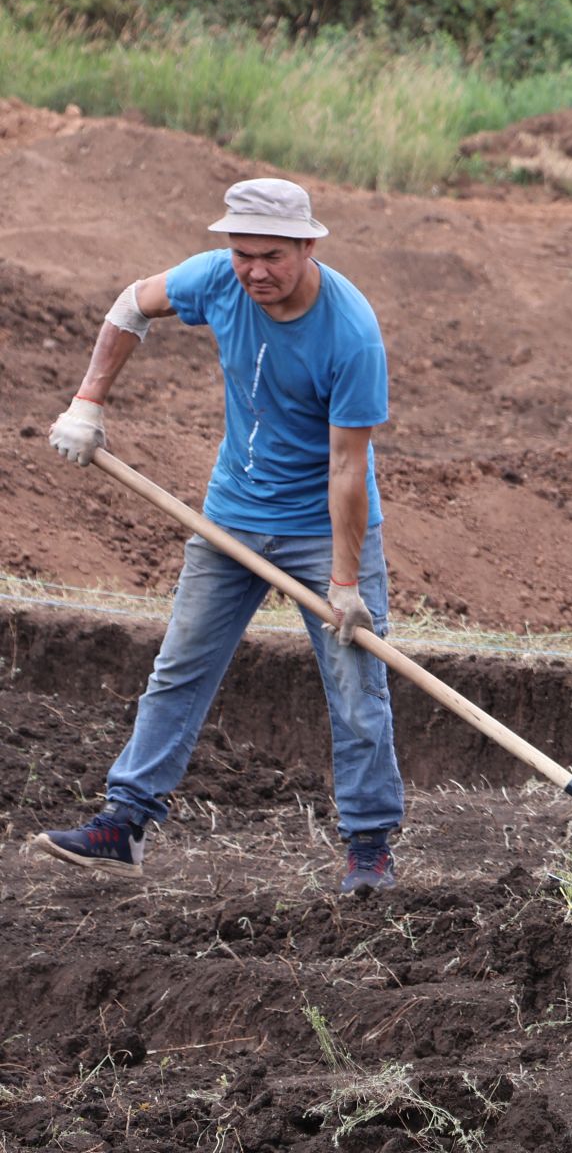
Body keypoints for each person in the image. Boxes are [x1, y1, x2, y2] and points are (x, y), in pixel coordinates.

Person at [34, 178, 404, 894]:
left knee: (357, 687)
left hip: (318, 530)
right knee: (180, 667)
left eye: (271, 256)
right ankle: (124, 824)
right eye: (242, 255)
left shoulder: (351, 334)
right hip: (230, 513)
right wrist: (88, 401)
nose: (255, 271)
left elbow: (347, 468)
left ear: (307, 245)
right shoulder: (217, 280)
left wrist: (348, 581)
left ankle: (368, 848)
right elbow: (130, 304)